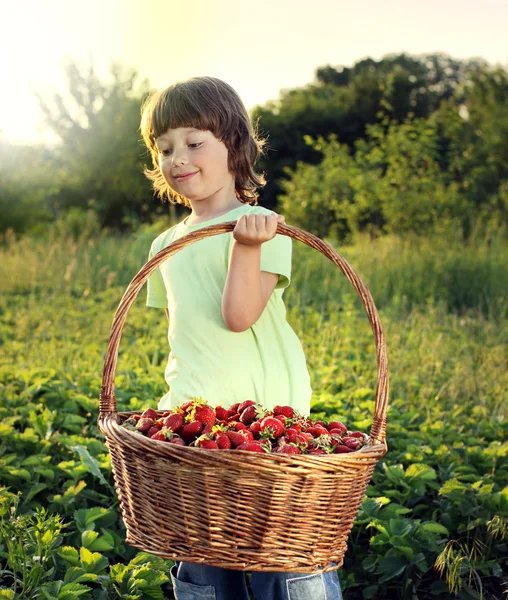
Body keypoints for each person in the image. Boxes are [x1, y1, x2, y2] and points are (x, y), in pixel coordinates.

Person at [139, 76, 343, 600]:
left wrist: (247, 248)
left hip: (265, 416)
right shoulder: (165, 243)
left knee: (284, 557)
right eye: (164, 148)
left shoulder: (261, 226)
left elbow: (238, 316)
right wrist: (172, 411)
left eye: (194, 142)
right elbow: (182, 331)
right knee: (206, 556)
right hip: (197, 416)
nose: (177, 157)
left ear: (233, 143)